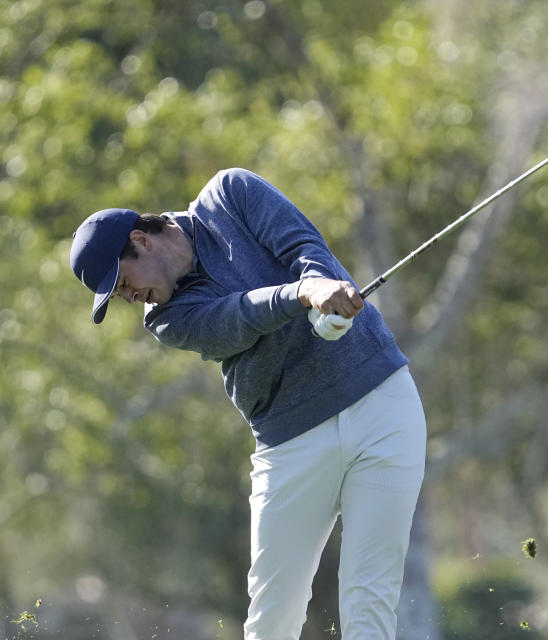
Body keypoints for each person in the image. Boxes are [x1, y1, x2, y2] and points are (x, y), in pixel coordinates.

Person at [69, 168, 427, 640]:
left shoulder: (230, 193)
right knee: (274, 614)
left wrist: (319, 281)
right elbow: (235, 318)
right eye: (117, 296)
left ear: (142, 238)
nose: (129, 298)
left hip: (381, 402)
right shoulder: (167, 319)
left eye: (122, 281)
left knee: (370, 596)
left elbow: (302, 243)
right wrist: (303, 294)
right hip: (292, 439)